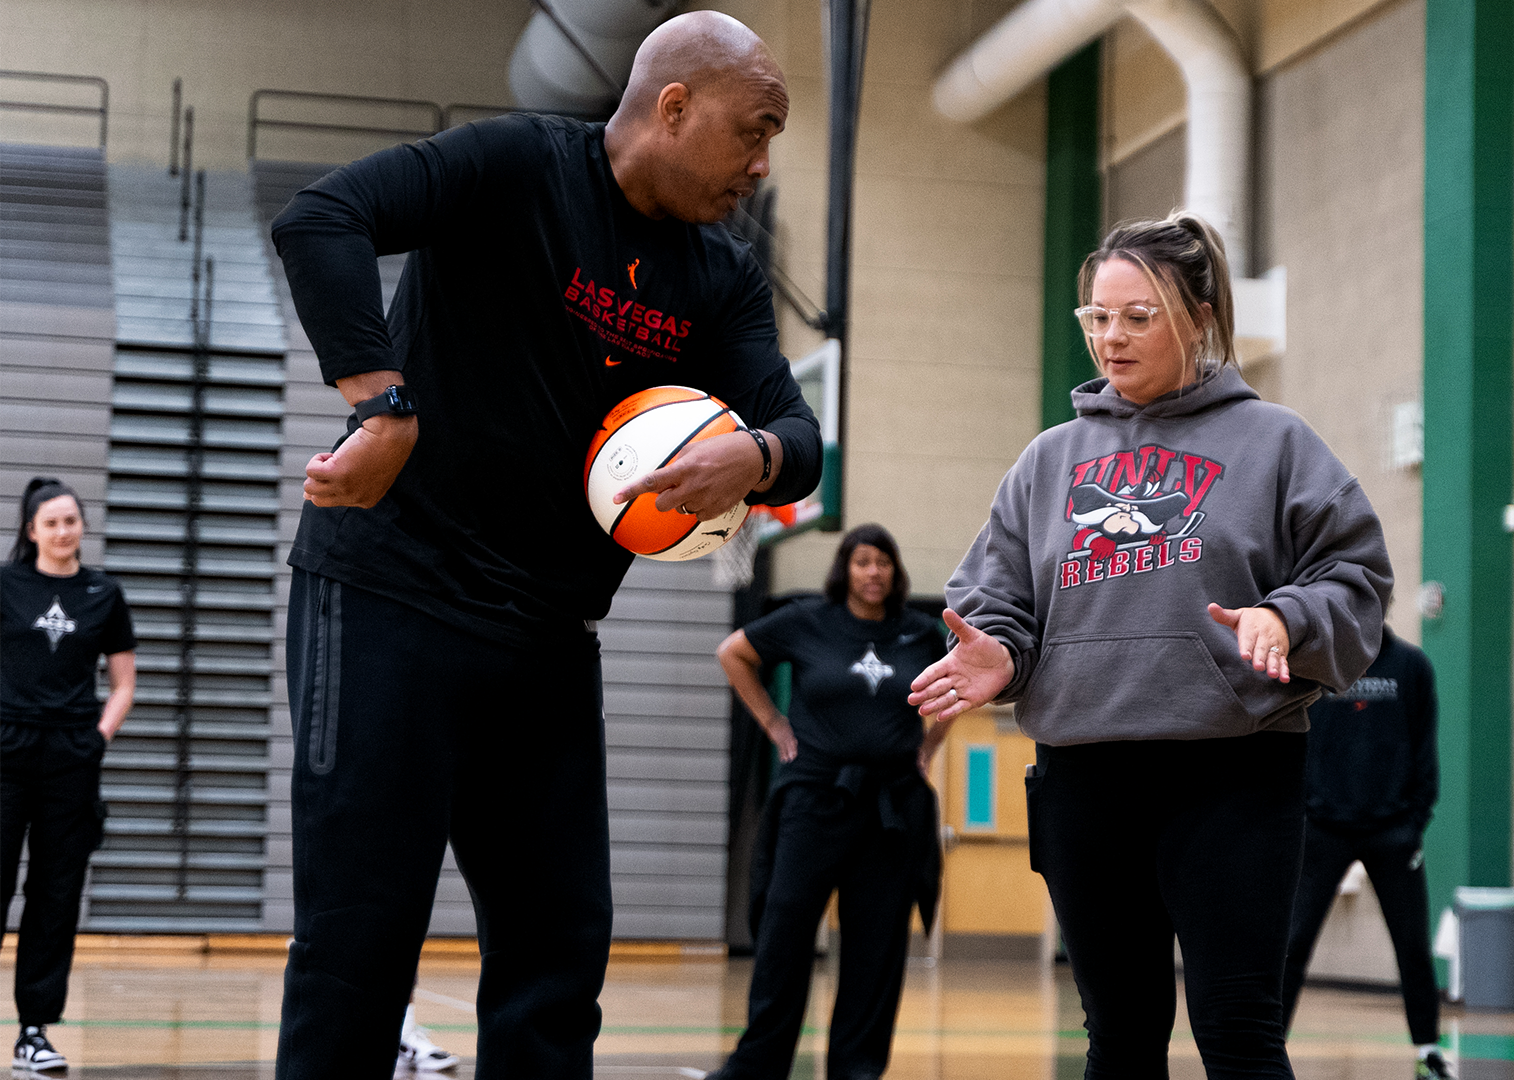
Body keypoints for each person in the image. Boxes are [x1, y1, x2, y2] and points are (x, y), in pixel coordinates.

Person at [267, 12, 822, 1079]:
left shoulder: (721, 277)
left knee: (557, 959)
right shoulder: (514, 164)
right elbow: (322, 216)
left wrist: (748, 456)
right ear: (674, 106)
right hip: (389, 593)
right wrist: (382, 404)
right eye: (754, 132)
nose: (761, 165)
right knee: (359, 941)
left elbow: (799, 439)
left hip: (548, 642)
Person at [909, 212, 1392, 1080]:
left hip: (1233, 775)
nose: (1111, 338)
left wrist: (1284, 616)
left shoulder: (1276, 443)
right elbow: (999, 597)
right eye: (1097, 316)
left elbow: (1355, 577)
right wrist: (1006, 655)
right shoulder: (1047, 462)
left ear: (1197, 317)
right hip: (1085, 777)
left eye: (1138, 316)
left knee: (1238, 1033)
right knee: (1120, 1038)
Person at [708, 524, 949, 1080]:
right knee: (783, 935)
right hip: (813, 801)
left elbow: (957, 686)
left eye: (883, 562)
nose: (873, 572)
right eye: (863, 561)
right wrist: (772, 721)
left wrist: (931, 743)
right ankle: (757, 1066)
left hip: (890, 810)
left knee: (875, 947)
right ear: (846, 568)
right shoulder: (805, 620)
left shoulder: (920, 633)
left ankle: (856, 1070)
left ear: (895, 571)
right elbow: (733, 654)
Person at [0, 478, 136, 1073]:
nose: (63, 531)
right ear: (31, 531)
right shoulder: (4, 587)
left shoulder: (103, 594)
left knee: (55, 897)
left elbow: (124, 683)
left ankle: (34, 1031)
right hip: (5, 752)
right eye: (50, 522)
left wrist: (96, 739)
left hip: (70, 761)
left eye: (71, 521)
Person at [1279, 622, 1448, 1080]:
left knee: (1412, 945)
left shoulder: (1411, 666)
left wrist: (1414, 823)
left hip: (1393, 831)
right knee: (1290, 946)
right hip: (1322, 831)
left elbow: (1425, 747)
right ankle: (1267, 1050)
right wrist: (1303, 813)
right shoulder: (1316, 662)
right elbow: (1291, 738)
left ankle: (1428, 1050)